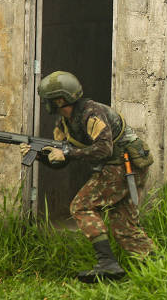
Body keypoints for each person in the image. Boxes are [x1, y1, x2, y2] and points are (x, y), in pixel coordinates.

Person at [24, 71, 155, 283]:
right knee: (124, 227)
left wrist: (67, 152)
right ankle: (157, 268)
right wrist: (40, 156)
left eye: (48, 100)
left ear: (60, 99)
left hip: (123, 165)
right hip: (117, 167)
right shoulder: (64, 123)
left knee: (81, 206)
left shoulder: (91, 114)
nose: (46, 104)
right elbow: (60, 161)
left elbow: (103, 148)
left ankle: (107, 263)